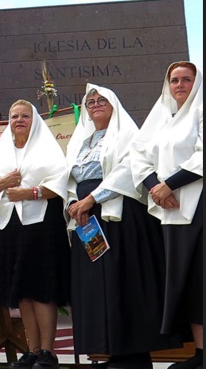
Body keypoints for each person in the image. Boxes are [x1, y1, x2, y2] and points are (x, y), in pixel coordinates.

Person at [66, 84, 180, 369]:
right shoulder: (80, 140)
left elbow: (128, 169)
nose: (94, 105)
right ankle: (111, 351)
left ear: (114, 104)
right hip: (87, 219)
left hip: (120, 217)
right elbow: (68, 176)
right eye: (90, 102)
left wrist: (91, 198)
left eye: (101, 100)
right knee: (99, 287)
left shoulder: (129, 134)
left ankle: (135, 355)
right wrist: (73, 202)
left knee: (124, 284)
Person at [0, 101, 69, 369]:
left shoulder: (46, 147)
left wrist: (31, 192)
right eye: (14, 116)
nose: (19, 120)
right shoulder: (2, 150)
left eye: (25, 116)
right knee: (23, 292)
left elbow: (60, 180)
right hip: (8, 226)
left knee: (42, 288)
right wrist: (1, 184)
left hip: (40, 223)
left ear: (34, 120)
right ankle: (33, 349)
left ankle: (48, 353)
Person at [130, 62, 203, 369]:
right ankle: (200, 353)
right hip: (170, 213)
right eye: (174, 80)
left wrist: (168, 185)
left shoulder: (200, 111)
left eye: (187, 79)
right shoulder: (161, 116)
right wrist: (155, 187)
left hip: (199, 206)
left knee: (202, 280)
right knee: (185, 283)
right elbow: (139, 153)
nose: (179, 85)